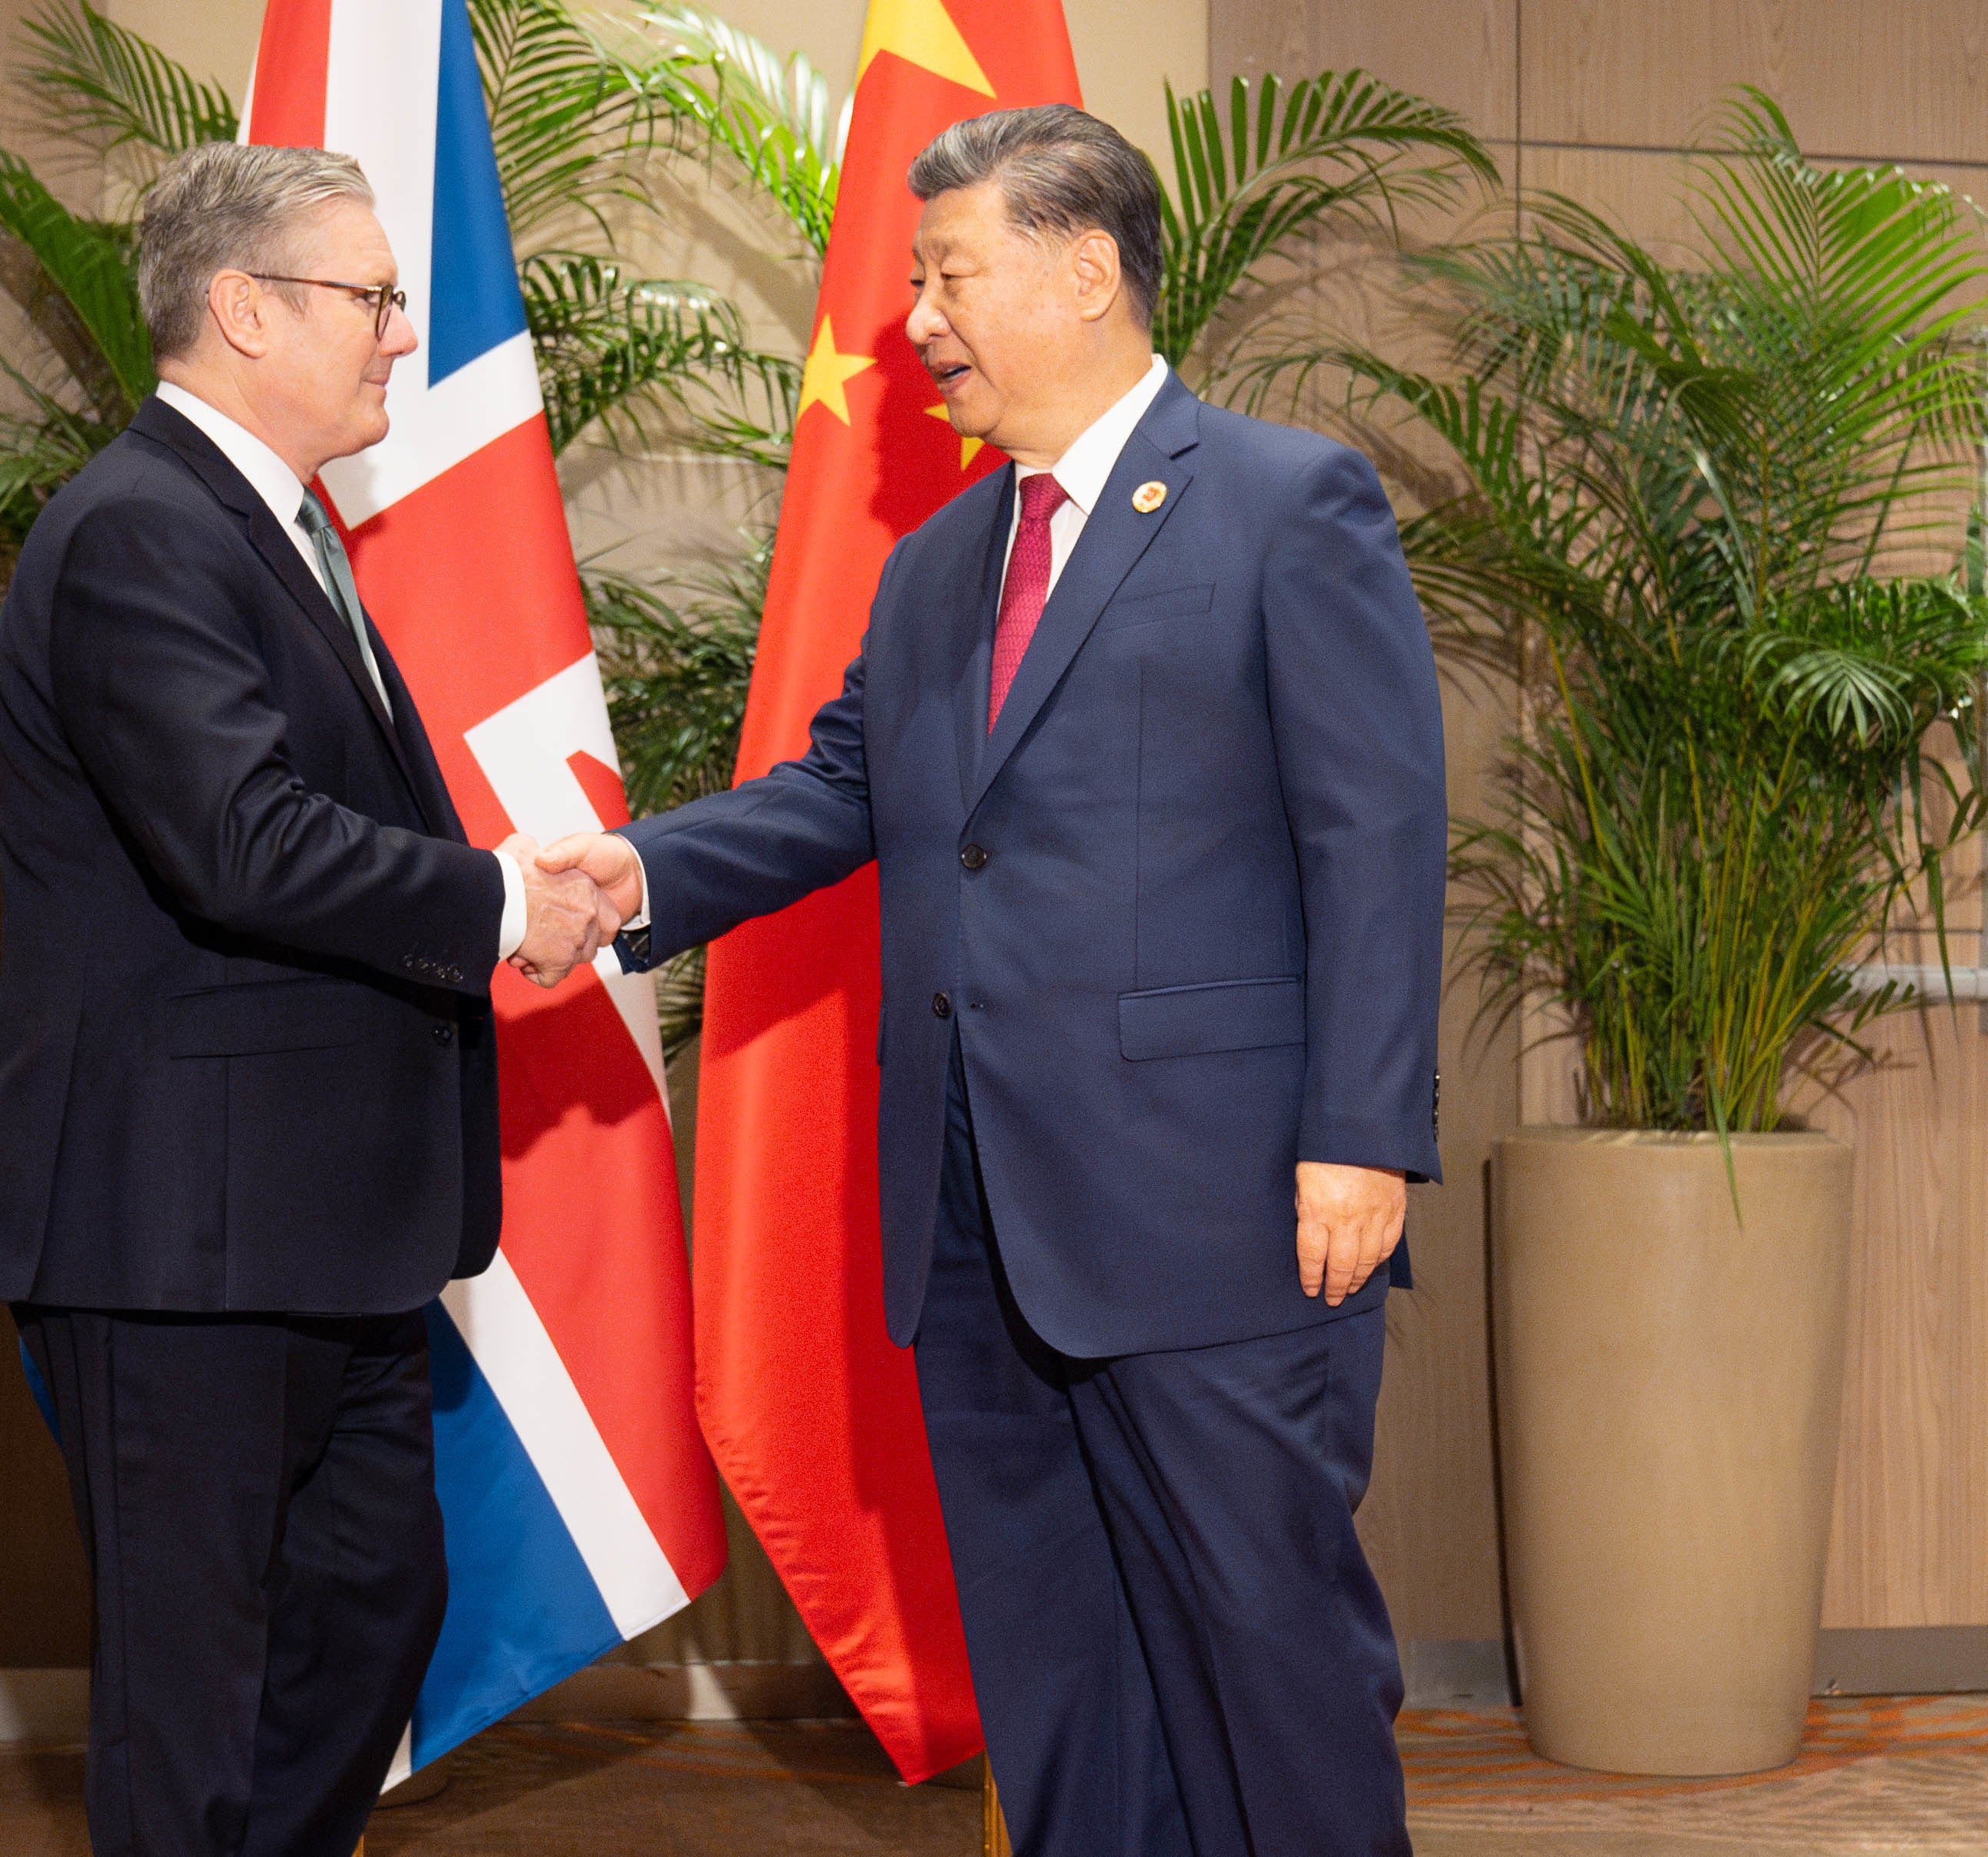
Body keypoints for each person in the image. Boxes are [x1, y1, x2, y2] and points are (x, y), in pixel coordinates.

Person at [539, 105, 1445, 1857]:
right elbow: (846, 794)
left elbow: (1375, 838)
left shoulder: (1283, 501)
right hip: (975, 1222)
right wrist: (639, 871)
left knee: (1270, 1666)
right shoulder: (940, 559)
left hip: (1224, 1215)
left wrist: (1359, 1134)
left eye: (948, 273)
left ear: (1085, 267)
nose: (919, 320)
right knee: (1060, 1680)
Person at [0, 142, 617, 1857]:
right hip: (186, 1236)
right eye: (373, 298)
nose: (402, 334)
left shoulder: (268, 526)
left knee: (368, 1617)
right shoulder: (138, 531)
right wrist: (498, 896)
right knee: (194, 1698)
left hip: (321, 1227)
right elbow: (241, 842)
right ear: (245, 311)